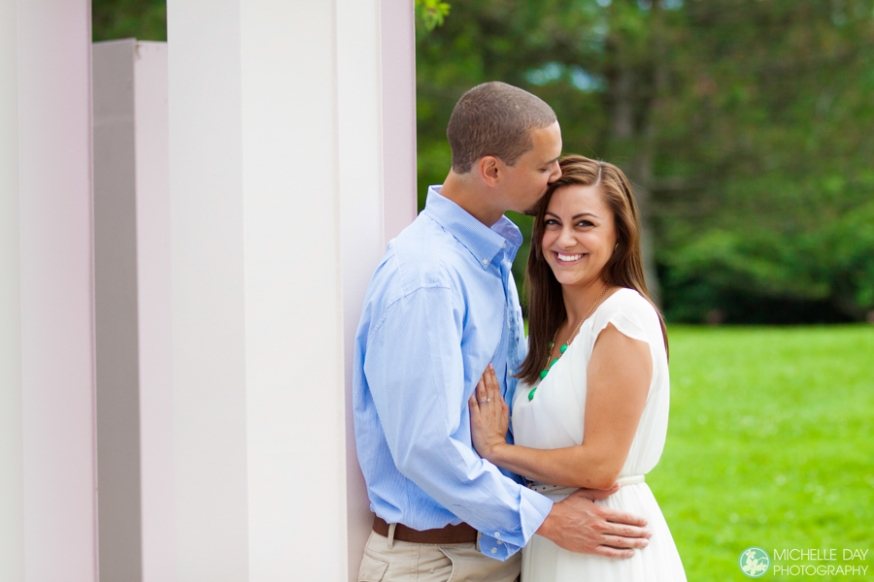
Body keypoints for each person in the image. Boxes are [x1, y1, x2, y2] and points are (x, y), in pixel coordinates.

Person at [353, 83, 651, 582]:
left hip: (500, 552)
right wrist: (547, 519)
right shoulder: (427, 276)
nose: (557, 175)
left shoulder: (490, 256)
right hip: (438, 566)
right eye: (544, 166)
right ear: (492, 170)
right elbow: (424, 446)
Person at [469, 155, 687, 581]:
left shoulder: (621, 315)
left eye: (584, 224)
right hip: (555, 537)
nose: (564, 240)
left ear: (620, 237)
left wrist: (496, 451)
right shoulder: (552, 330)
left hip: (603, 541)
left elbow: (599, 465)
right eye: (552, 223)